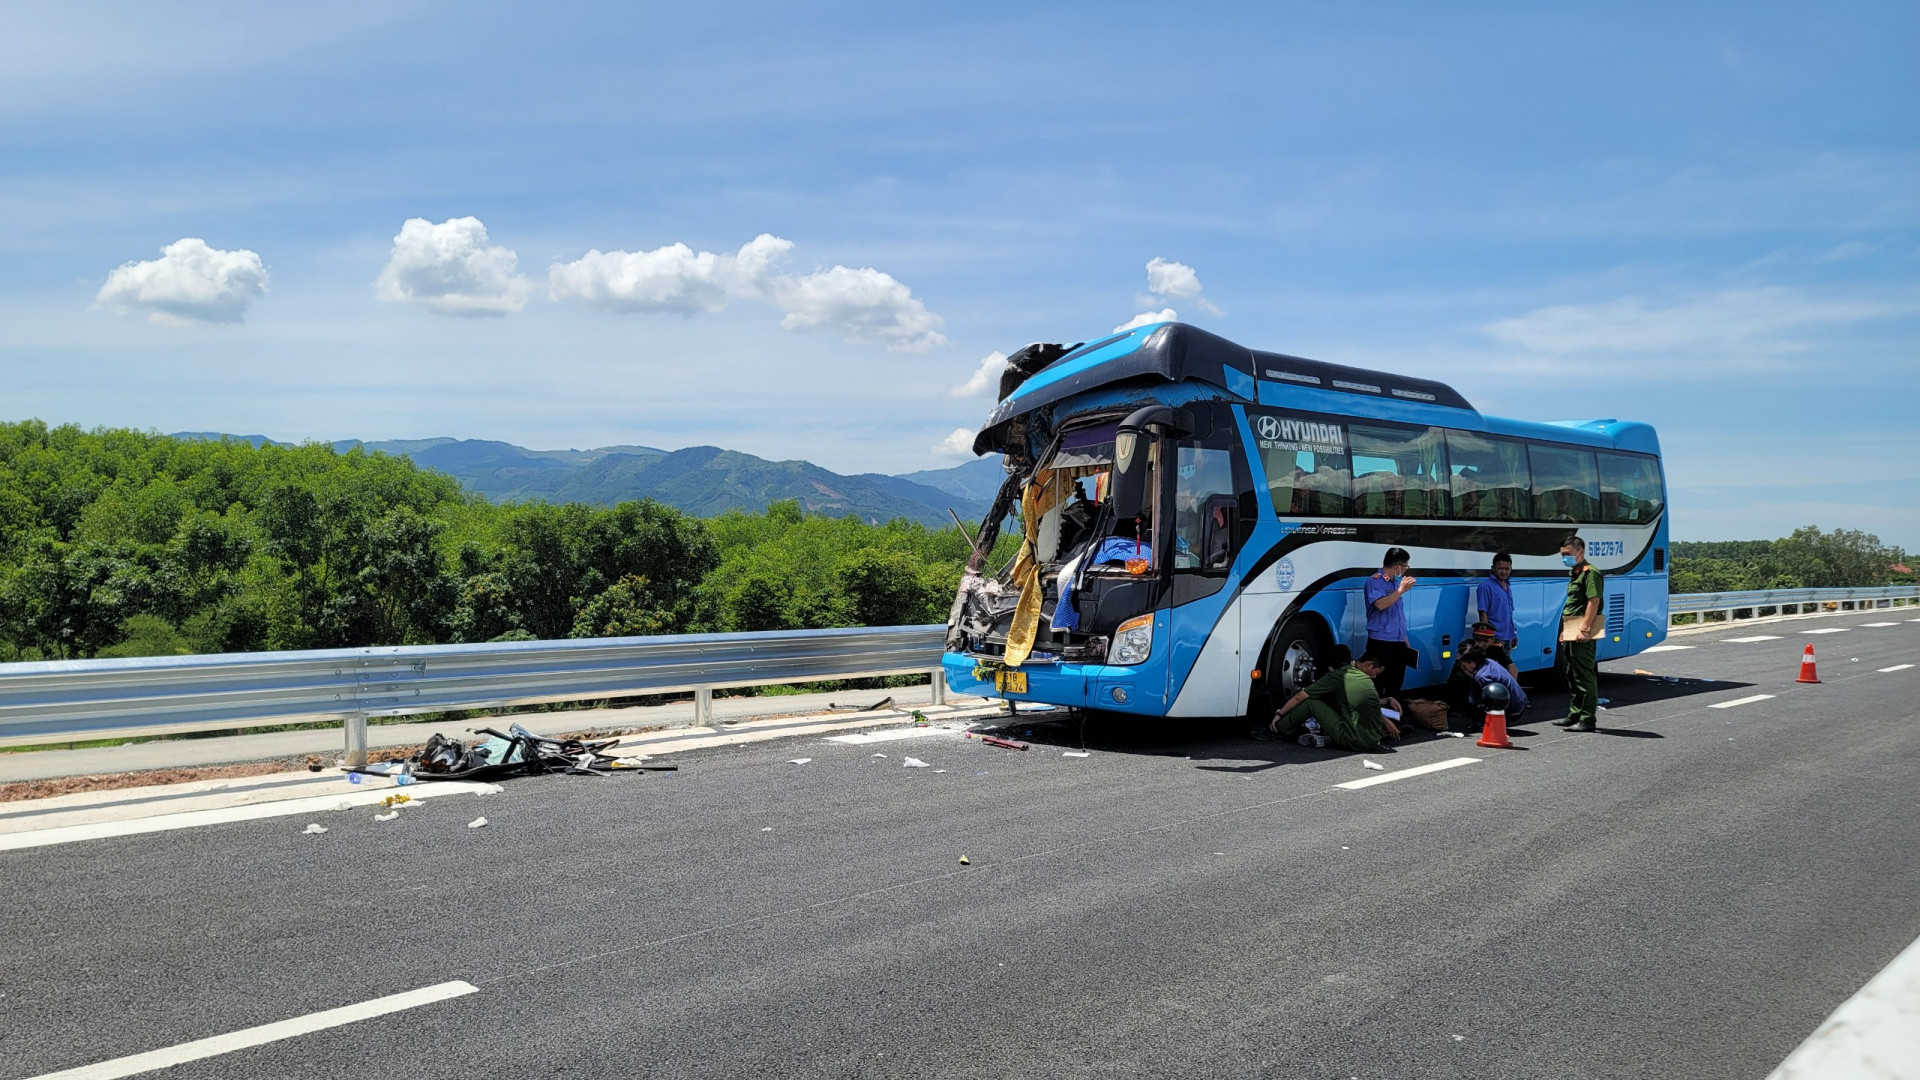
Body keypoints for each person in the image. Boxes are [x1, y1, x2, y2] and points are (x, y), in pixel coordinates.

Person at [1263, 646, 1401, 752]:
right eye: (1376, 673)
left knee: (1312, 703)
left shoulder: (1338, 676)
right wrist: (1387, 702)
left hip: (1353, 740)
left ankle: (1278, 730)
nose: (1375, 677)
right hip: (1373, 740)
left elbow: (1300, 697)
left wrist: (1280, 714)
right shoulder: (1365, 679)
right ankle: (1327, 738)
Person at [1553, 533, 1604, 732]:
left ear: (1580, 552)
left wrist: (1584, 629)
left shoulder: (1590, 573)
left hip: (1582, 631)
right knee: (1572, 674)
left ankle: (1588, 719)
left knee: (1584, 675)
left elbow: (1594, 601)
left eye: (1568, 554)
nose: (1564, 557)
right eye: (1562, 554)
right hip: (1571, 630)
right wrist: (1566, 631)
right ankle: (1575, 713)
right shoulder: (1576, 572)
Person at [1363, 547, 1416, 697]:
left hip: (1397, 640)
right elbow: (1380, 605)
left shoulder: (1395, 582)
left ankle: (1393, 717)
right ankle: (1377, 717)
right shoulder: (1375, 581)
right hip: (1380, 641)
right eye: (1406, 566)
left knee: (1396, 682)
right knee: (1377, 682)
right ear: (1397, 566)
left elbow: (1397, 613)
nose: (1406, 570)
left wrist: (1403, 636)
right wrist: (1400, 591)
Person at [1458, 645, 1528, 719]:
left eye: (1464, 666)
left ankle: (1486, 724)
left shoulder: (1482, 677)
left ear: (1473, 663)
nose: (1463, 668)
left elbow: (1490, 698)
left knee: (1474, 701)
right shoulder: (1489, 662)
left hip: (1513, 712)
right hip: (1521, 703)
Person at [1475, 552, 1517, 651]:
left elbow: (1509, 614)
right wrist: (1486, 638)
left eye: (1507, 569)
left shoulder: (1507, 585)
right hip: (1494, 638)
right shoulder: (1485, 587)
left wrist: (1514, 634)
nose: (1504, 572)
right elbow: (1482, 613)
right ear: (1493, 568)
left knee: (1505, 666)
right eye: (1500, 568)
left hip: (1508, 637)